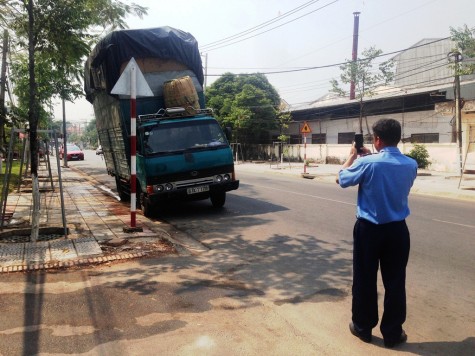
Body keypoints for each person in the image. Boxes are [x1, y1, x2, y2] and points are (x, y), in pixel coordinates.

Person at [336, 118, 418, 348]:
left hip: (369, 230)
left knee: (364, 278)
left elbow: (341, 179)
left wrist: (353, 156)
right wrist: (371, 156)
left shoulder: (368, 163)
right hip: (398, 231)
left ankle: (362, 328)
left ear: (377, 139)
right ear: (398, 137)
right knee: (395, 281)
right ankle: (393, 333)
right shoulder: (411, 164)